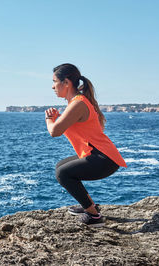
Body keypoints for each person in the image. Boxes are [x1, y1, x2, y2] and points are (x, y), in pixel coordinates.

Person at [45, 63, 127, 227]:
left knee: (63, 173)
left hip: (104, 159)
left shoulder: (78, 103)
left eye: (55, 81)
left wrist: (48, 119)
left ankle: (94, 216)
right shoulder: (77, 102)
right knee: (61, 166)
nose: (52, 86)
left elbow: (54, 131)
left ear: (66, 82)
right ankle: (89, 206)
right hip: (100, 156)